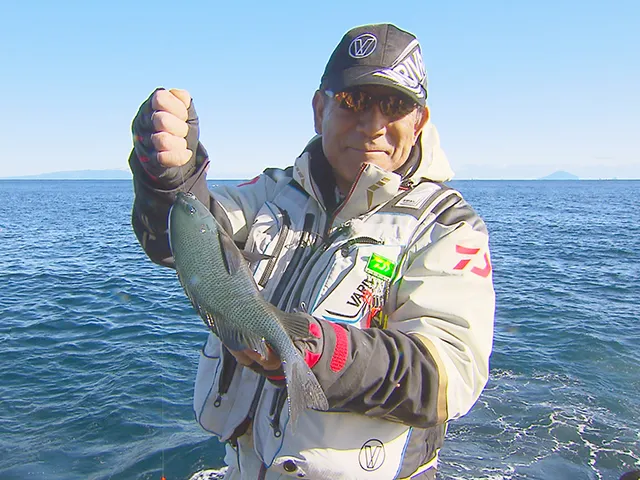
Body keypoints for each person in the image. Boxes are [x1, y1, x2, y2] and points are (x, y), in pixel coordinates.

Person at [129, 23, 495, 480]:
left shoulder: (447, 227)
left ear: (419, 120)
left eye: (396, 105)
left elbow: (446, 378)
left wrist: (316, 351)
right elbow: (184, 239)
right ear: (320, 109)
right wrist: (168, 177)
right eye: (354, 101)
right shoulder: (271, 191)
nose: (374, 124)